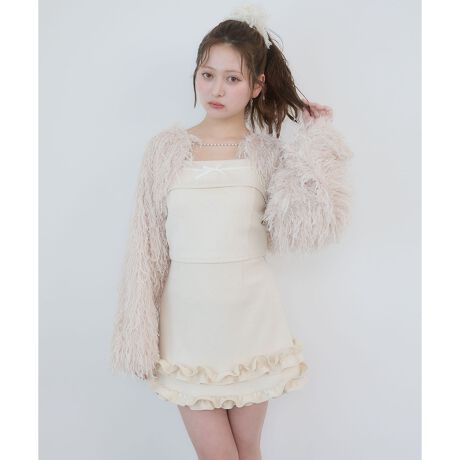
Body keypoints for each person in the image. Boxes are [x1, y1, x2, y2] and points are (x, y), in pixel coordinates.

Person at [111, 4, 353, 459]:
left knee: (247, 449)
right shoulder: (165, 150)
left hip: (252, 320)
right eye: (207, 75)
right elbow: (145, 247)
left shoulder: (266, 153)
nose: (216, 89)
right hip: (187, 325)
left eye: (232, 78)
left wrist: (315, 139)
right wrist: (138, 335)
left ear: (257, 86)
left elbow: (307, 227)